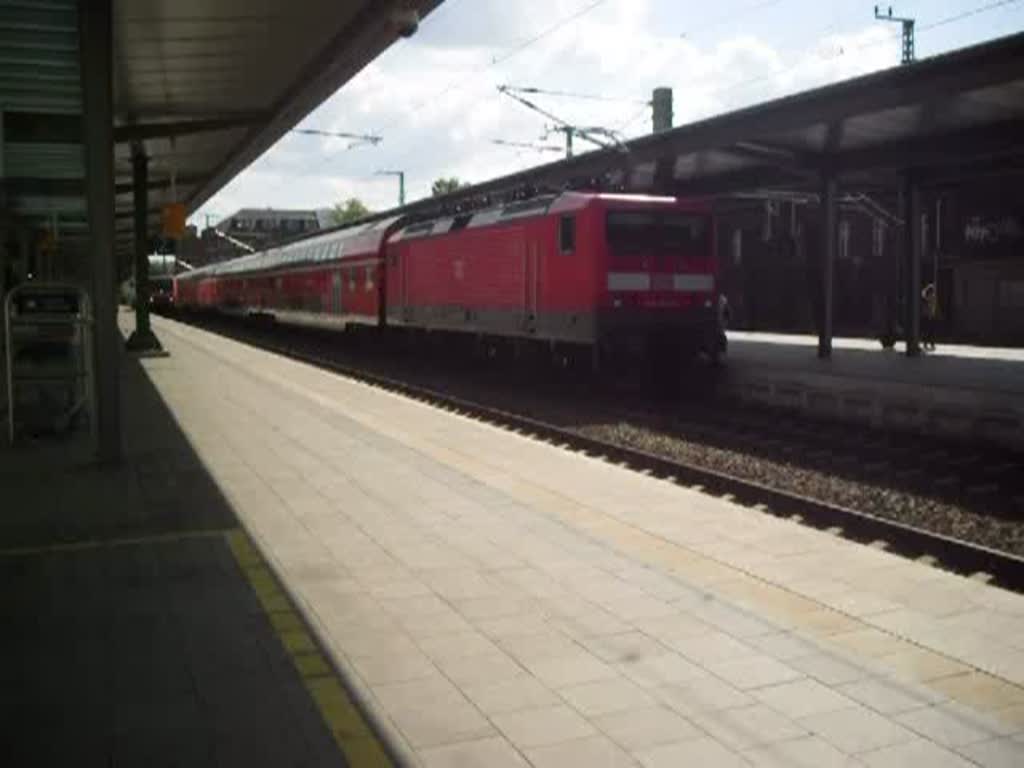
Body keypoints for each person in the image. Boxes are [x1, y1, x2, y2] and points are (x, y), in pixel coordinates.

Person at [922, 282, 938, 351]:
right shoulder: (930, 297)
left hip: (929, 315)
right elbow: (931, 307)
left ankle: (928, 343)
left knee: (928, 331)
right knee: (930, 331)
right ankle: (930, 343)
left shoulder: (928, 297)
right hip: (929, 316)